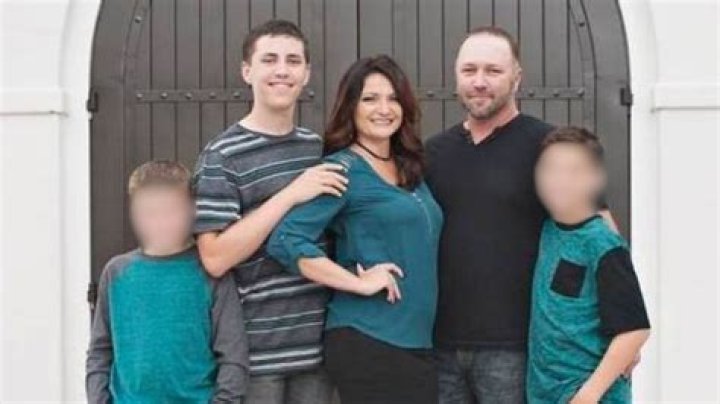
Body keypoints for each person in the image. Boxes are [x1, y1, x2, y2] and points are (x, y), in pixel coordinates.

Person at [424, 26, 621, 404]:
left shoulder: (551, 149)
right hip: (441, 348)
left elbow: (603, 238)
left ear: (517, 77)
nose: (479, 81)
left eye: (493, 70)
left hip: (520, 349)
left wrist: (620, 328)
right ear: (456, 76)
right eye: (469, 70)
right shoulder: (433, 152)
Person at [267, 55, 443, 404]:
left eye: (393, 98)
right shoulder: (342, 169)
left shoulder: (408, 167)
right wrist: (357, 282)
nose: (384, 109)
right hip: (369, 338)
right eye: (370, 99)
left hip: (414, 341)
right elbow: (286, 240)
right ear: (351, 107)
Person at [192, 20, 345, 404]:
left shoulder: (317, 149)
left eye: (293, 61)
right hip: (256, 358)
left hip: (319, 352)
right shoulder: (222, 156)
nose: (282, 70)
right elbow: (215, 257)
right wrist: (291, 194)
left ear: (306, 73)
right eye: (269, 60)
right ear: (247, 71)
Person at [86, 161, 248, 403]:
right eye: (150, 213)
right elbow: (100, 351)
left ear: (191, 210)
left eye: (172, 211)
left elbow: (233, 355)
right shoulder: (117, 273)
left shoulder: (211, 273)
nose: (161, 222)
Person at [528, 126, 650, 403]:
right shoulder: (549, 229)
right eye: (551, 170)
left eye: (574, 172)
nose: (560, 181)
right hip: (545, 393)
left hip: (589, 395)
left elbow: (634, 330)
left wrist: (588, 395)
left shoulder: (603, 245)